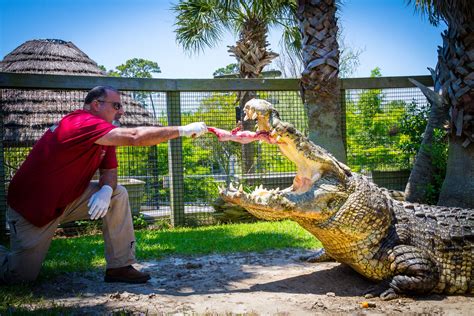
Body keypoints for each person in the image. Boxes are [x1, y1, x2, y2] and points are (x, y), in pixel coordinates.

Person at [0, 86, 208, 285]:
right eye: (116, 106)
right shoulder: (82, 123)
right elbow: (135, 137)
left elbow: (109, 171)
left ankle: (120, 266)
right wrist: (181, 130)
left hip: (67, 200)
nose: (122, 111)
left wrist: (107, 190)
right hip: (34, 210)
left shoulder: (104, 134)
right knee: (19, 277)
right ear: (96, 104)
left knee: (118, 194)